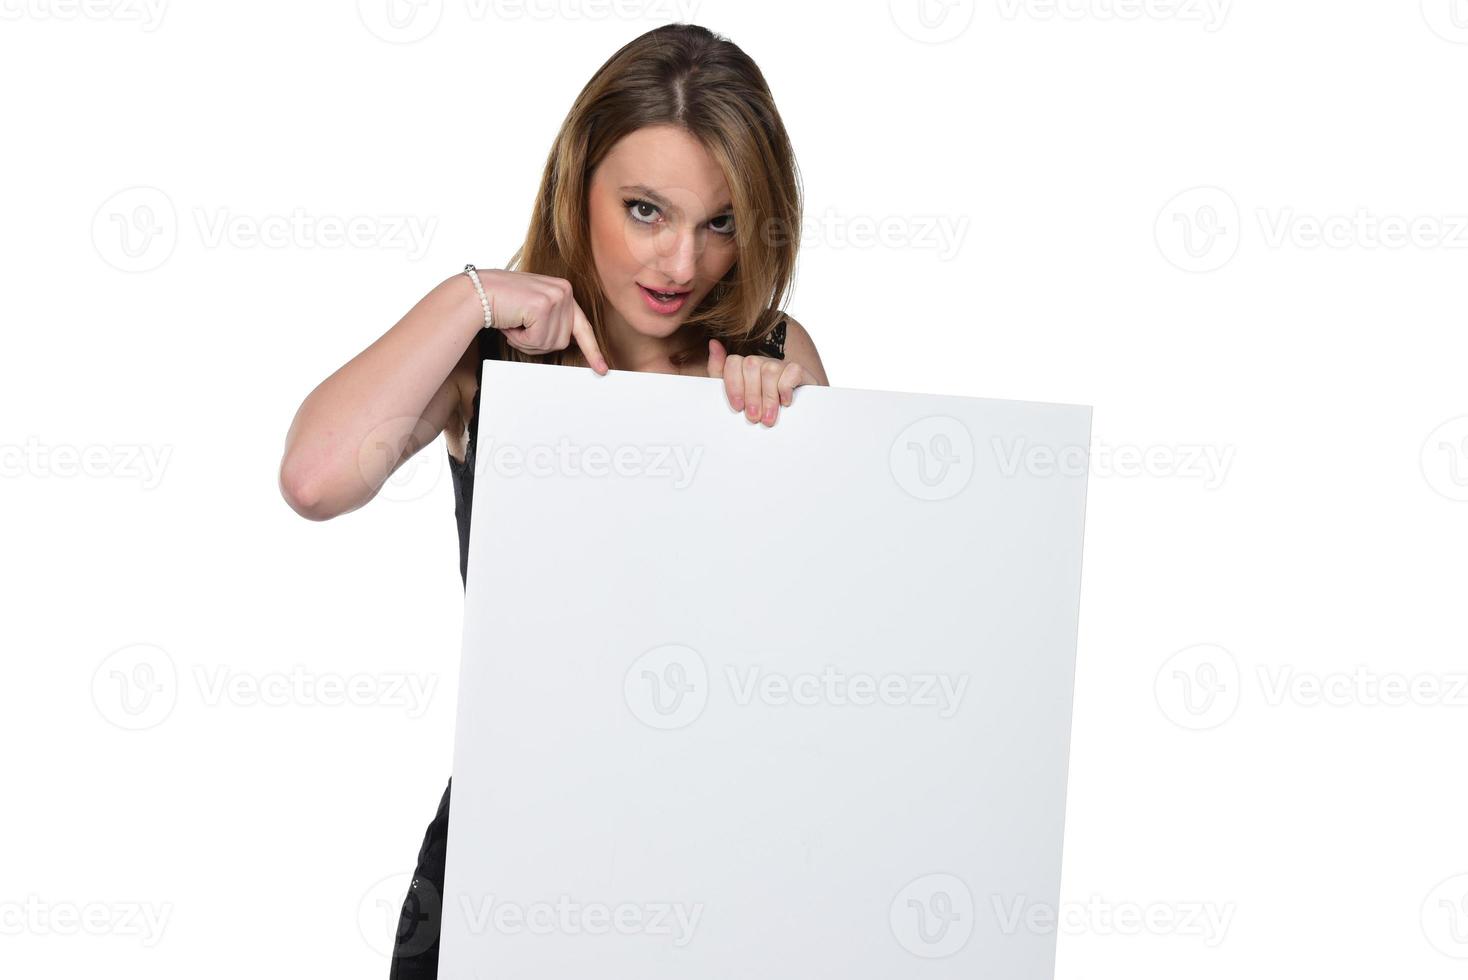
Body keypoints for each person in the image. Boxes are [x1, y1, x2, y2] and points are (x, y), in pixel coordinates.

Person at [277, 22, 828, 976]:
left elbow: (831, 642)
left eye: (721, 222)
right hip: (506, 853)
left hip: (721, 861)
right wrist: (469, 300)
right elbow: (315, 479)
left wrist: (791, 431)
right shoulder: (484, 361)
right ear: (578, 183)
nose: (681, 264)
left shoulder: (773, 355)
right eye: (646, 210)